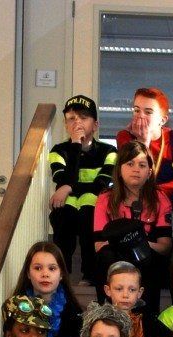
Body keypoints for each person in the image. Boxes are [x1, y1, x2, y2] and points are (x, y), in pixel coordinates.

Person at [92, 139, 173, 305]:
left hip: (147, 254)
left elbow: (165, 247)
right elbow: (99, 245)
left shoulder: (160, 198)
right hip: (115, 255)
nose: (136, 169)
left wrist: (139, 243)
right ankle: (106, 311)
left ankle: (147, 313)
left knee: (149, 258)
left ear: (149, 172)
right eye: (130, 164)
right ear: (119, 169)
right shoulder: (105, 198)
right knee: (105, 256)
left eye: (142, 165)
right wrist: (124, 245)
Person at [49, 94, 116, 285]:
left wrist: (68, 187)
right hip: (69, 203)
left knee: (88, 211)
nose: (77, 122)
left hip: (94, 202)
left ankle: (90, 275)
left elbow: (101, 183)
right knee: (61, 215)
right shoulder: (58, 151)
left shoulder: (109, 152)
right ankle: (62, 273)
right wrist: (76, 146)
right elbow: (61, 179)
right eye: (71, 118)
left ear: (95, 125)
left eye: (83, 118)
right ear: (65, 125)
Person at [116, 86, 173, 208]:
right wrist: (143, 143)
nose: (140, 116)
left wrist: (156, 191)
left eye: (148, 112)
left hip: (172, 202)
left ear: (163, 120)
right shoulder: (125, 137)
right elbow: (131, 180)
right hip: (138, 201)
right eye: (137, 110)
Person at [10, 239, 84, 337]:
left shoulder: (74, 314)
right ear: (28, 273)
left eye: (52, 268)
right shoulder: (15, 308)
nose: (45, 274)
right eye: (38, 268)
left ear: (61, 274)